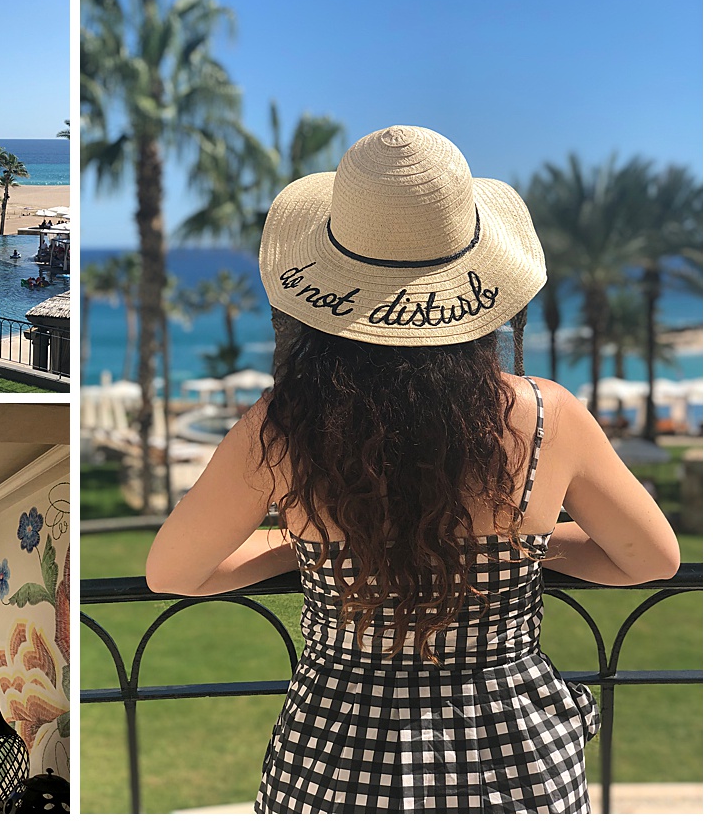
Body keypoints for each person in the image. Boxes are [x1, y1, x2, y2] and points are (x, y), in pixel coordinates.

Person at [145, 126, 679, 814]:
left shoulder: (284, 427)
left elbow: (172, 572)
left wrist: (306, 552)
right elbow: (650, 557)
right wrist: (527, 549)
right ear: (480, 289)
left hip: (337, 758)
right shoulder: (550, 416)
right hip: (513, 759)